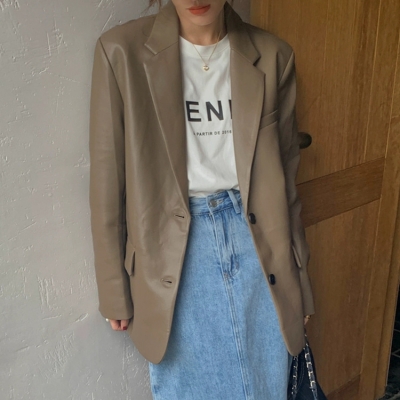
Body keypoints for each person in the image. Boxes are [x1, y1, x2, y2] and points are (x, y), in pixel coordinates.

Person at [89, 0, 315, 398]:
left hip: (258, 242)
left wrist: (301, 282)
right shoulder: (121, 52)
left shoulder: (273, 55)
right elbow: (108, 183)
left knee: (266, 386)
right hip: (174, 251)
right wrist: (113, 289)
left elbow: (286, 183)